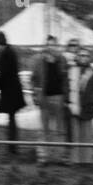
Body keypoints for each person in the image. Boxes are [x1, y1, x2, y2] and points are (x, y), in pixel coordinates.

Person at [31, 35, 68, 163]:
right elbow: (34, 79)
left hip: (59, 97)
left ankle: (60, 157)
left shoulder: (62, 60)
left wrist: (66, 97)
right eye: (49, 44)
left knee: (60, 129)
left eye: (53, 44)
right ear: (45, 46)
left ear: (57, 46)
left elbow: (66, 79)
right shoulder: (38, 61)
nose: (51, 47)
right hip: (44, 98)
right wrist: (35, 95)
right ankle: (43, 157)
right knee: (44, 129)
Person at [66, 48, 93, 165]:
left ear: (89, 58)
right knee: (75, 136)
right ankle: (75, 161)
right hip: (74, 107)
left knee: (86, 137)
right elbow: (66, 87)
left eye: (86, 55)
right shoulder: (71, 70)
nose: (83, 57)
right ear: (77, 56)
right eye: (81, 55)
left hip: (88, 108)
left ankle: (86, 161)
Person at [0, 30, 25, 149]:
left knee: (11, 119)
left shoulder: (6, 53)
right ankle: (12, 144)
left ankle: (12, 146)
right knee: (11, 118)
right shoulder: (10, 52)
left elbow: (4, 74)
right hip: (12, 89)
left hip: (11, 91)